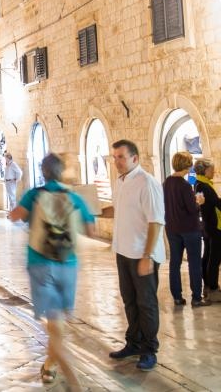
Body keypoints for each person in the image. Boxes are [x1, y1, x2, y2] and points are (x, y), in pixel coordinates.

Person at [9, 153, 95, 389]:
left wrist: (18, 212)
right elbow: (91, 230)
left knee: (55, 327)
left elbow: (14, 216)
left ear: (42, 172)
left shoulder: (34, 195)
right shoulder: (74, 197)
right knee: (58, 324)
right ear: (61, 171)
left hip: (40, 264)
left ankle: (74, 382)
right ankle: (49, 365)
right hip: (68, 264)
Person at [109, 139, 165, 371]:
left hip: (142, 254)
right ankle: (133, 343)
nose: (117, 162)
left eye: (121, 157)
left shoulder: (146, 182)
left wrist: (147, 255)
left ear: (135, 158)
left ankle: (149, 349)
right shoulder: (119, 182)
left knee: (146, 303)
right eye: (114, 157)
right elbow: (119, 210)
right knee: (129, 301)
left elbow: (156, 221)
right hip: (123, 250)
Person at [163, 152, 209, 307]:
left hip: (172, 228)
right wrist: (199, 202)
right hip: (189, 228)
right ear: (187, 165)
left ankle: (177, 297)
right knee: (194, 262)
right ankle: (196, 297)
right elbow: (192, 209)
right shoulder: (184, 185)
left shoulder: (167, 182)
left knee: (174, 262)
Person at [195, 159, 221, 301]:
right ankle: (213, 288)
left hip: (207, 225)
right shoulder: (204, 186)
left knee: (208, 256)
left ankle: (208, 285)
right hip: (213, 226)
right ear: (205, 171)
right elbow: (216, 203)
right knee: (214, 258)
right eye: (211, 169)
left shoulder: (199, 184)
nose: (213, 171)